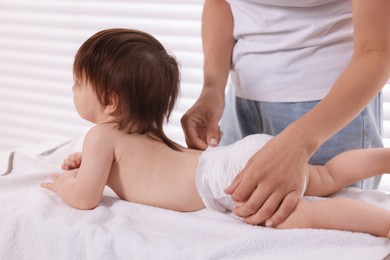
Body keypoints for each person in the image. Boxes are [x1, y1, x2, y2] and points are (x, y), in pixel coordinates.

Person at [40, 28, 390, 239]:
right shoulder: (142, 133)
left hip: (226, 181)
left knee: (293, 216)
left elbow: (85, 197)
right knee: (324, 176)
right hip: (237, 159)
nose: (72, 89)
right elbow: (140, 166)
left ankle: (384, 224)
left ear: (111, 102)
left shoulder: (101, 136)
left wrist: (65, 184)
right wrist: (88, 165)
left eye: (78, 83)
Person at [180, 0, 390, 226]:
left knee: (317, 212)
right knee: (323, 183)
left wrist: (299, 142)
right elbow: (221, 3)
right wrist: (212, 89)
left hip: (326, 110)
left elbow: (377, 50)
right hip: (240, 107)